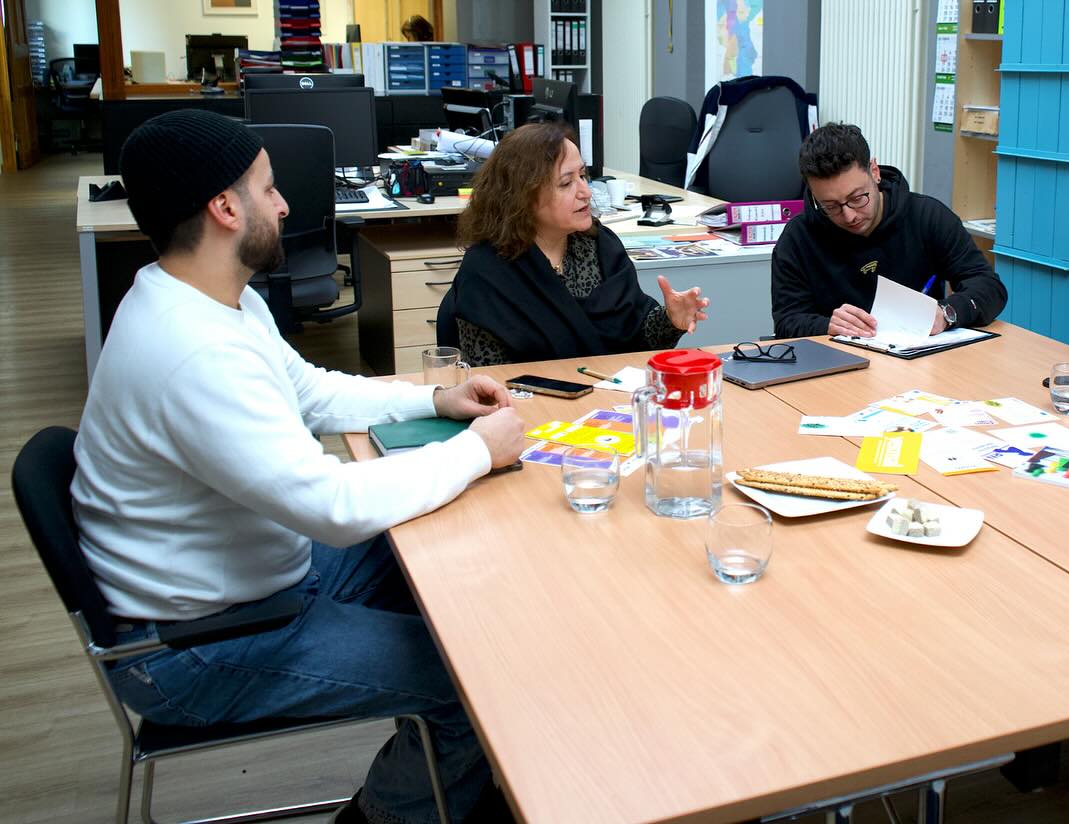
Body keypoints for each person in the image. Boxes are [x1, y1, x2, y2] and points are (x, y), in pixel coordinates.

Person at [71, 110, 526, 824]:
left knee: (453, 556)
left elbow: (310, 390)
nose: (284, 204)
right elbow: (332, 509)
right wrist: (475, 450)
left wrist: (436, 397)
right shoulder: (192, 353)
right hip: (197, 645)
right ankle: (389, 811)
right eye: (269, 188)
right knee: (471, 681)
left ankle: (461, 780)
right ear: (225, 209)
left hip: (257, 576)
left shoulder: (210, 298)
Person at [451, 121, 709, 365]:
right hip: (530, 406)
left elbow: (638, 339)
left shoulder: (600, 247)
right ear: (523, 196)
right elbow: (488, 376)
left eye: (583, 176)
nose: (585, 191)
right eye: (566, 183)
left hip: (608, 400)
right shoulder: (488, 270)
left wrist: (670, 320)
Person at [770, 122, 1007, 339]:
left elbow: (989, 287)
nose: (849, 215)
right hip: (837, 367)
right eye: (831, 206)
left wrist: (947, 312)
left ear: (874, 171)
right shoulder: (798, 238)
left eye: (857, 198)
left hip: (919, 364)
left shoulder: (927, 217)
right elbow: (787, 321)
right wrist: (827, 326)